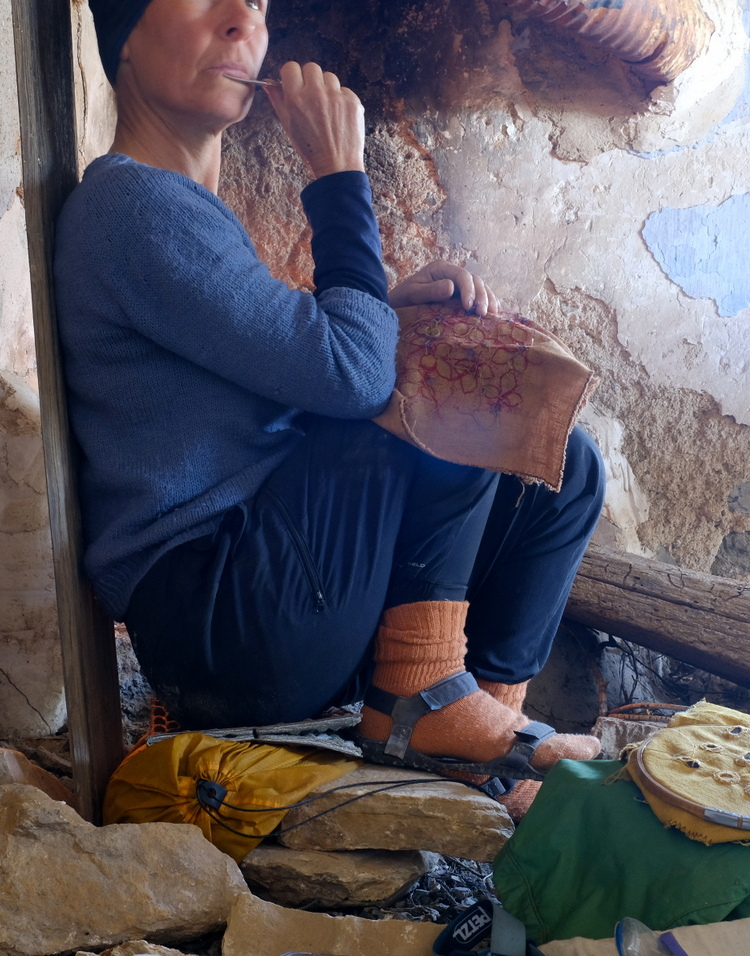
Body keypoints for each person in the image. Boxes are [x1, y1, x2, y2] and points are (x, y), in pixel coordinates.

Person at [55, 0, 605, 815]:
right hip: (226, 619)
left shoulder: (178, 210)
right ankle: (421, 691)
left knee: (563, 468)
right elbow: (352, 376)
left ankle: (483, 739)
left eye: (258, 2)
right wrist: (338, 174)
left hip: (275, 600)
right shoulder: (133, 206)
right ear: (123, 35)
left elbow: (301, 367)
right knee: (448, 384)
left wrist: (386, 310)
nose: (245, 22)